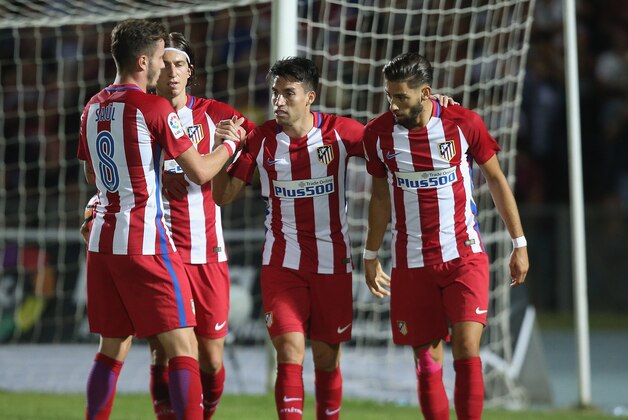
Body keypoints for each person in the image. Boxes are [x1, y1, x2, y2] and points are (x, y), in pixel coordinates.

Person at [77, 19, 241, 420]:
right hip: (145, 240)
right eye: (159, 60)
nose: (164, 70)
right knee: (184, 348)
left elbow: (91, 176)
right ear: (143, 60)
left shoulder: (93, 106)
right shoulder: (152, 107)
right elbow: (201, 172)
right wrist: (230, 144)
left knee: (111, 347)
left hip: (102, 243)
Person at [362, 52, 529, 420]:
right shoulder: (377, 134)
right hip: (411, 261)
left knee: (468, 348)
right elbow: (378, 198)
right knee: (426, 360)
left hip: (463, 255)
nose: (393, 105)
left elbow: (497, 181)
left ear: (425, 93)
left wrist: (519, 243)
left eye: (401, 97)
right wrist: (370, 254)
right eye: (389, 95)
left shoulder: (462, 123)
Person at [212, 56, 367, 420]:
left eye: (288, 93)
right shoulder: (261, 140)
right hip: (282, 263)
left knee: (327, 361)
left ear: (311, 96)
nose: (278, 101)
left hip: (332, 263)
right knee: (290, 352)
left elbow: (388, 138)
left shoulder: (340, 133)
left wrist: (435, 108)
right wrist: (221, 152)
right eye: (275, 93)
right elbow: (222, 196)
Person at [147, 32, 256, 420]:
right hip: (161, 253)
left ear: (190, 71)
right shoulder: (141, 116)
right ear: (153, 69)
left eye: (180, 65)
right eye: (166, 64)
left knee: (211, 357)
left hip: (208, 252)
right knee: (170, 350)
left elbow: (258, 138)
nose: (172, 72)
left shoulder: (214, 114)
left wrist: (232, 177)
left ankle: (204, 413)